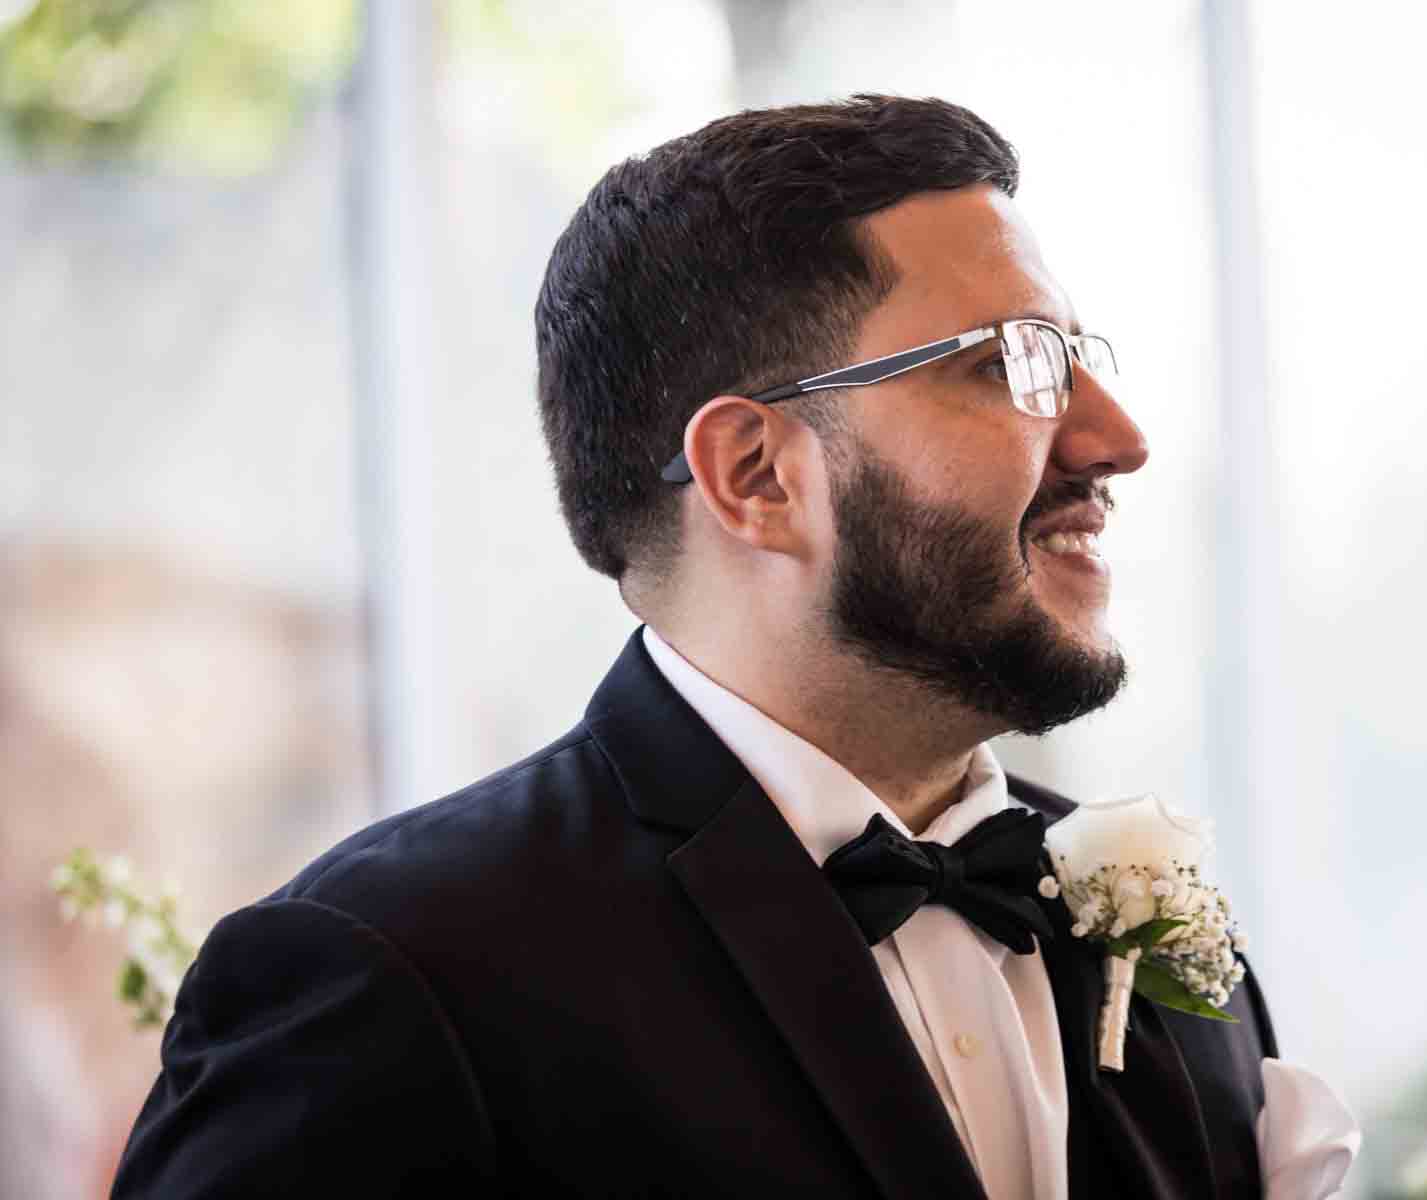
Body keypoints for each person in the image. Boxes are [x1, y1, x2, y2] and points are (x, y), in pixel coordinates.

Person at [111, 95, 1286, 1198]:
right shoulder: (388, 978)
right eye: (1012, 363)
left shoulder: (1149, 916)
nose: (1117, 439)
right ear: (756, 474)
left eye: (1084, 361)